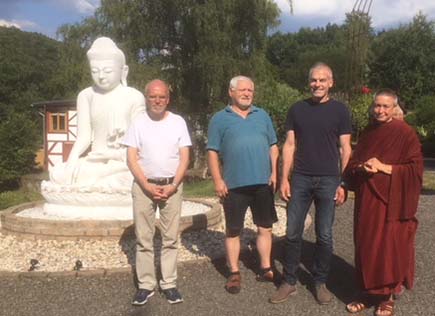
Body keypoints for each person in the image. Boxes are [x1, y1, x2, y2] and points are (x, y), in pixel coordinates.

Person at [270, 62, 352, 305]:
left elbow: (345, 148)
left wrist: (343, 182)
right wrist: (285, 178)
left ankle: (320, 282)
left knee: (324, 235)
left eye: (322, 80)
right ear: (309, 83)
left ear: (331, 82)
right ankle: (289, 281)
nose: (317, 84)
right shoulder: (297, 109)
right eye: (313, 80)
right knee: (293, 232)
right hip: (301, 179)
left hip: (329, 180)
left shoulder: (340, 110)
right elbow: (290, 145)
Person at [344, 89, 423, 316]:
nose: (379, 110)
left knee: (387, 248)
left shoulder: (405, 133)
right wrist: (361, 167)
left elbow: (414, 170)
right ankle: (367, 293)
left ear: (393, 108)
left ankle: (386, 297)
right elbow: (353, 163)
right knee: (366, 245)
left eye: (385, 106)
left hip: (390, 203)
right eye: (377, 106)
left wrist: (382, 167)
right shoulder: (369, 132)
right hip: (367, 200)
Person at [207, 75, 279, 294]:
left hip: (262, 183)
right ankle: (234, 272)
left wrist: (275, 172)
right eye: (242, 90)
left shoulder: (262, 115)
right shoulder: (219, 119)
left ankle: (266, 268)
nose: (247, 93)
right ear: (231, 92)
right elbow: (212, 151)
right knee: (233, 230)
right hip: (234, 185)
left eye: (250, 90)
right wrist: (218, 179)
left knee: (265, 227)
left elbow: (273, 146)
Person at [122, 79, 191, 305]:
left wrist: (172, 186)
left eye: (161, 96)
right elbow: (131, 158)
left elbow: (184, 158)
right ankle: (146, 285)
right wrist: (146, 185)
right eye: (153, 96)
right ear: (146, 98)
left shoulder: (178, 122)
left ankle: (169, 284)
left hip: (173, 185)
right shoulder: (137, 123)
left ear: (168, 99)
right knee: (144, 239)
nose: (157, 100)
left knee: (170, 238)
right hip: (144, 186)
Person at [49, 37, 145, 187]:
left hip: (125, 161)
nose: (100, 76)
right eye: (95, 71)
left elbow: (140, 142)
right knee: (58, 173)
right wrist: (71, 161)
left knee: (133, 174)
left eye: (107, 71)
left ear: (123, 71)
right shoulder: (86, 96)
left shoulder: (134, 97)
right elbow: (84, 137)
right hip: (94, 161)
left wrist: (112, 155)